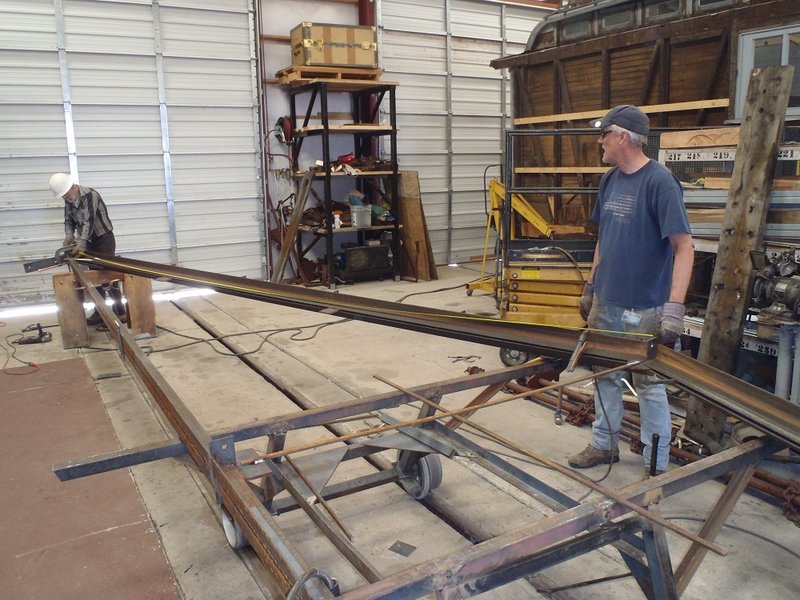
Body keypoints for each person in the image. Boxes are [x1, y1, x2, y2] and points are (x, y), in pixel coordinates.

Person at [567, 105, 694, 478]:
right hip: (607, 301)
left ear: (622, 136)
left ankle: (657, 463)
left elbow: (684, 247)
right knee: (604, 376)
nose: (600, 141)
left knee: (649, 385)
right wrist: (591, 286)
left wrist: (674, 307)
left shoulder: (660, 182)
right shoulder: (609, 180)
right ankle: (604, 446)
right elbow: (604, 240)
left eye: (604, 133)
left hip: (645, 307)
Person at [49, 172, 126, 327]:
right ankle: (101, 312)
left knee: (107, 275)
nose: (66, 198)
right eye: (63, 196)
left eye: (66, 194)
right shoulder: (69, 199)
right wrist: (69, 235)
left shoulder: (91, 195)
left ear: (72, 187)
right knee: (94, 277)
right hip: (89, 240)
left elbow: (88, 221)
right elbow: (68, 220)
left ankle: (120, 311)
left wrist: (81, 242)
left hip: (103, 239)